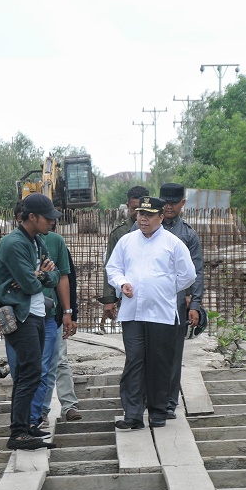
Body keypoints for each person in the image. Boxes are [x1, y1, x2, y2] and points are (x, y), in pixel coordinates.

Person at [106, 196, 196, 429]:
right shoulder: (126, 241)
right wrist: (122, 282)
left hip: (161, 313)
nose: (143, 219)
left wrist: (165, 288)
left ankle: (157, 411)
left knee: (159, 361)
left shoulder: (173, 243)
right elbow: (113, 268)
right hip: (133, 313)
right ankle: (133, 414)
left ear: (160, 217)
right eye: (139, 214)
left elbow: (188, 275)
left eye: (148, 215)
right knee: (134, 360)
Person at [0, 193, 61, 450]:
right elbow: (32, 284)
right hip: (22, 315)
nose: (52, 223)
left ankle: (26, 426)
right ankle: (18, 433)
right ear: (32, 217)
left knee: (32, 373)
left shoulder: (37, 242)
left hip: (38, 313)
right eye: (48, 218)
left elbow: (54, 277)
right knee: (29, 373)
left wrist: (39, 274)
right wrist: (41, 275)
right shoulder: (14, 243)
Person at [159, 182, 205, 419]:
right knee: (150, 353)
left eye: (173, 203)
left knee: (174, 354)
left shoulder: (188, 234)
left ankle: (169, 402)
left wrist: (195, 305)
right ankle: (151, 398)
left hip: (177, 304)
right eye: (164, 202)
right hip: (152, 304)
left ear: (182, 203)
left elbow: (197, 271)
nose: (168, 207)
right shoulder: (146, 228)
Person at [97, 185, 149, 334]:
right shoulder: (119, 233)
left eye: (142, 209)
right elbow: (111, 267)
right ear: (127, 206)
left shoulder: (159, 231)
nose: (138, 214)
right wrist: (109, 300)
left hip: (153, 298)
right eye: (134, 209)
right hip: (128, 296)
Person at [40, 244, 82, 426]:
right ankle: (40, 410)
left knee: (59, 361)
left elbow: (68, 281)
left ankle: (69, 405)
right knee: (40, 366)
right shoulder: (19, 244)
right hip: (29, 316)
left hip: (54, 315)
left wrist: (70, 313)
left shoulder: (56, 243)